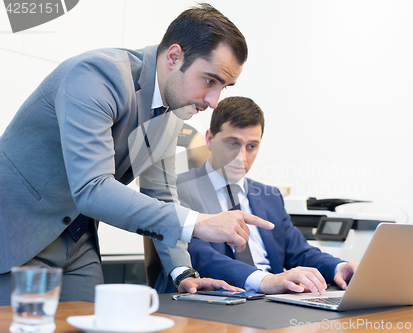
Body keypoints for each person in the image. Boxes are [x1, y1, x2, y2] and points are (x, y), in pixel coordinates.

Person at [0, 4, 275, 306]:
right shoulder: (95, 76)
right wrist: (198, 222)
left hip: (78, 241)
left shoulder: (174, 111)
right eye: (210, 81)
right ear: (174, 57)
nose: (213, 101)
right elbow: (92, 189)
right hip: (17, 234)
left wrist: (183, 271)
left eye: (225, 86)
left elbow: (162, 196)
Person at [156, 96, 358, 294]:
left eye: (251, 146)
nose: (241, 157)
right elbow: (199, 255)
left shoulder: (270, 196)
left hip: (271, 302)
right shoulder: (175, 189)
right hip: (214, 300)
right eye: (232, 143)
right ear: (209, 139)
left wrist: (338, 268)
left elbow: (300, 252)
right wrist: (265, 280)